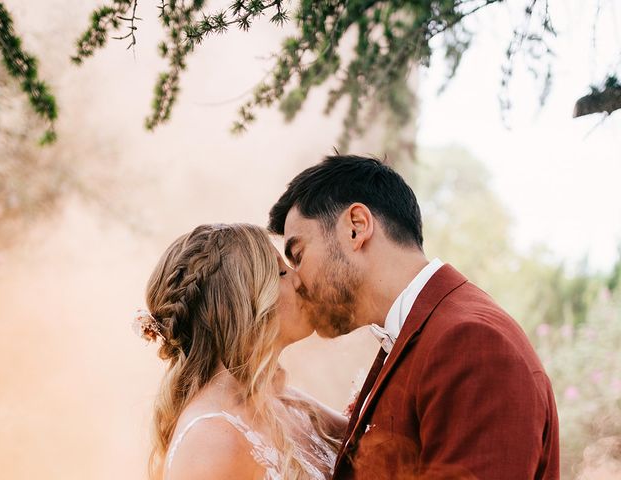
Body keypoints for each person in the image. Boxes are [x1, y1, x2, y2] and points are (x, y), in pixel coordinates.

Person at [269, 155, 561, 479]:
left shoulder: (473, 343)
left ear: (356, 227)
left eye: (298, 254)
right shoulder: (419, 334)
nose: (297, 279)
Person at [134, 223, 347, 480]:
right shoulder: (210, 442)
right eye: (280, 272)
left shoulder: (291, 404)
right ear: (241, 307)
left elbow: (391, 434)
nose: (299, 278)